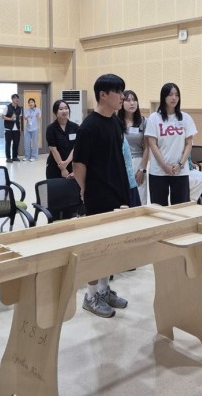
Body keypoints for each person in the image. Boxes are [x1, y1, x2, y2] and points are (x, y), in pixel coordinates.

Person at [73, 74, 130, 318]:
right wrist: (84, 191)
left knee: (111, 246)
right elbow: (79, 164)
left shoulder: (115, 122)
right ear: (103, 95)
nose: (122, 97)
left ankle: (104, 291)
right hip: (97, 195)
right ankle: (90, 296)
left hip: (117, 192)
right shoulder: (88, 126)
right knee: (95, 248)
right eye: (118, 92)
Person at [145, 83, 197, 206]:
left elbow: (188, 144)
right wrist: (164, 166)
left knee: (181, 207)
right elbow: (152, 144)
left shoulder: (185, 118)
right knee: (159, 208)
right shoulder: (154, 118)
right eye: (170, 94)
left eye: (177, 95)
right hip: (158, 171)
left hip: (180, 171)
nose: (174, 98)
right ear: (163, 97)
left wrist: (180, 164)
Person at [118, 90, 150, 205]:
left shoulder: (143, 121)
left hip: (138, 161)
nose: (132, 103)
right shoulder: (116, 122)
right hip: (121, 161)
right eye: (128, 100)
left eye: (134, 100)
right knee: (122, 199)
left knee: (140, 199)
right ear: (122, 102)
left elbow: (147, 148)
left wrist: (142, 169)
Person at [46, 99, 79, 179]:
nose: (64, 111)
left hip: (71, 165)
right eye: (61, 109)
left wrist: (66, 162)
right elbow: (53, 150)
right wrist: (63, 168)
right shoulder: (51, 129)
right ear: (55, 112)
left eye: (66, 108)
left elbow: (76, 147)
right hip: (55, 165)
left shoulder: (75, 127)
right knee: (55, 186)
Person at [1, 93, 22, 162]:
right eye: (15, 98)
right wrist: (9, 119)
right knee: (8, 143)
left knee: (16, 143)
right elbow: (2, 116)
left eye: (17, 98)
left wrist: (19, 126)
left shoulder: (19, 108)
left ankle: (15, 157)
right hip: (8, 128)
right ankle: (8, 158)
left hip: (16, 129)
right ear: (12, 99)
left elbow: (19, 118)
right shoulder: (7, 107)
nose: (16, 100)